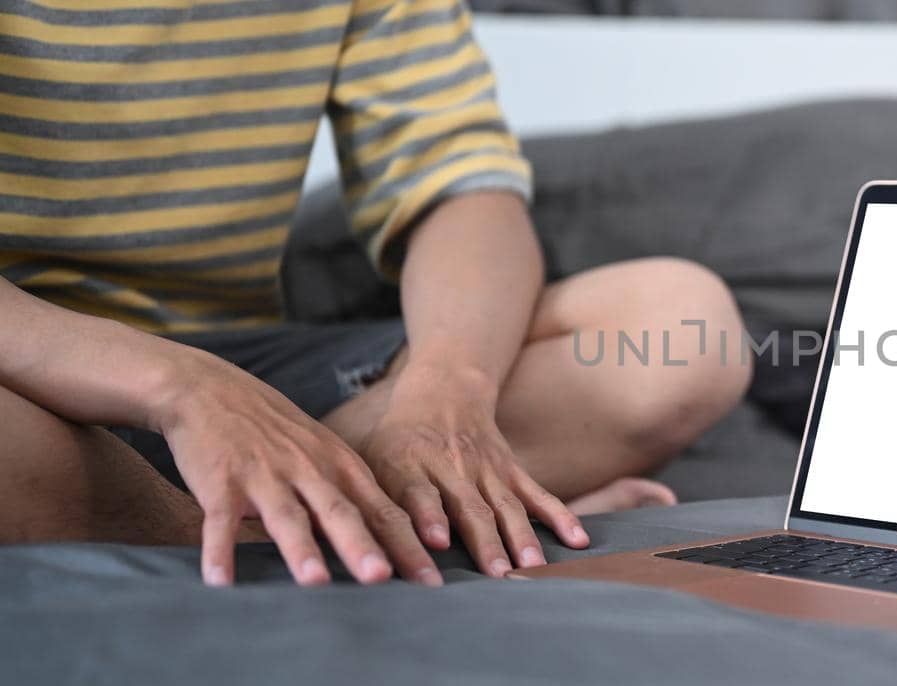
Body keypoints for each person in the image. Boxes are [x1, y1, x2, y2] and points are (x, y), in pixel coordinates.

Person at [0, 0, 750, 587]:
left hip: (257, 369)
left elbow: (460, 187)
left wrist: (445, 390)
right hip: (30, 367)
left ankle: (348, 510)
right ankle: (372, 528)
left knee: (684, 328)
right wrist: (178, 387)